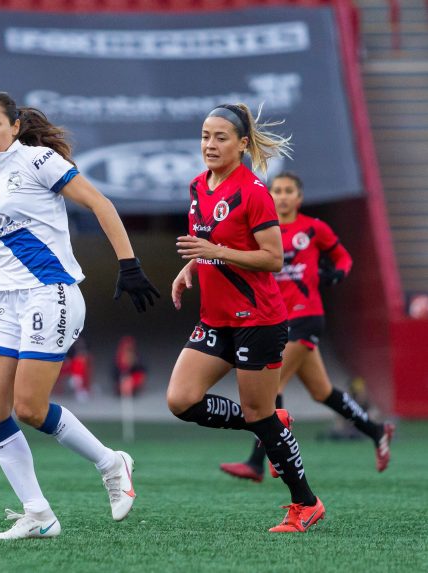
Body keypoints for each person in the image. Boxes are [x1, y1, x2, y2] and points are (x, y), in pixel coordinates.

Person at [0, 90, 159, 540]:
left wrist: (129, 263)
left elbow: (101, 203)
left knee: (30, 408)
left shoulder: (38, 162)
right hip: (6, 302)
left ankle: (111, 463)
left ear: (15, 126)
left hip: (51, 293)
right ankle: (38, 514)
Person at [169, 104, 325, 533]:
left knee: (260, 415)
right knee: (181, 400)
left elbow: (273, 259)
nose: (210, 145)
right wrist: (188, 270)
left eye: (220, 137)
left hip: (258, 319)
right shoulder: (198, 186)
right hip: (216, 318)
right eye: (205, 136)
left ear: (242, 144)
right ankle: (273, 423)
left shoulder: (254, 192)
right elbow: (206, 241)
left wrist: (216, 254)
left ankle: (306, 503)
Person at [220, 172, 394, 482]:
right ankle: (376, 430)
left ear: (299, 198)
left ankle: (259, 461)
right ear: (269, 196)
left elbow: (342, 258)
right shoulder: (261, 232)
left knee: (271, 386)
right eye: (277, 190)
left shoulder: (314, 228)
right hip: (275, 319)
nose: (283, 196)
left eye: (289, 191)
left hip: (306, 317)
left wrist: (337, 274)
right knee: (322, 391)